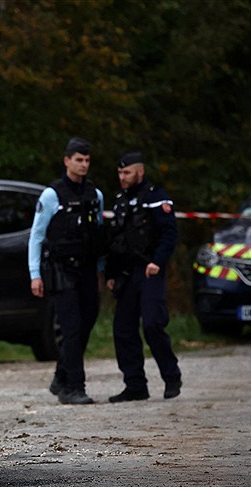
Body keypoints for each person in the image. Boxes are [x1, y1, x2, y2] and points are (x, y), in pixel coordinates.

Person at [28, 137, 105, 405]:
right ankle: (74, 387)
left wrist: (100, 271)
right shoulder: (52, 195)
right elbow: (36, 237)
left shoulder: (95, 195)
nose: (83, 165)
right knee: (71, 328)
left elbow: (97, 235)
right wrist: (34, 274)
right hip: (61, 270)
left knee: (86, 325)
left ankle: (61, 377)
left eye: (87, 160)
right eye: (78, 160)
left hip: (86, 269)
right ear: (67, 161)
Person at [105, 151, 182, 402]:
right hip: (126, 274)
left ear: (140, 171)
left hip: (150, 271)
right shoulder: (119, 202)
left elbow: (169, 234)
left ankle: (171, 377)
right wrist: (111, 273)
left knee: (152, 324)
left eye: (126, 172)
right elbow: (115, 241)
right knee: (123, 330)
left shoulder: (156, 198)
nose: (122, 177)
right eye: (120, 173)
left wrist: (157, 262)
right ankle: (135, 385)